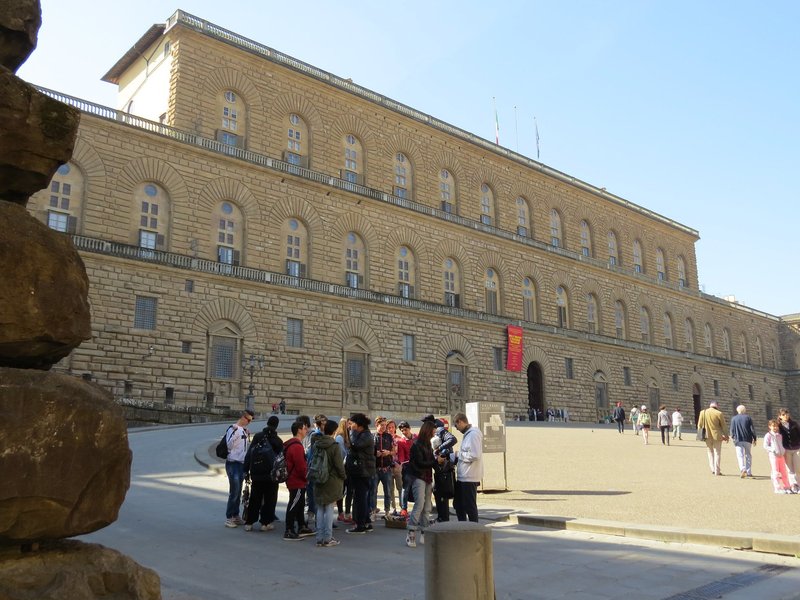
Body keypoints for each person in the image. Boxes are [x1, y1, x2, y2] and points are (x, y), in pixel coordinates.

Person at [243, 415, 283, 531]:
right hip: (271, 475)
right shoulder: (278, 441)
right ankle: (266, 523)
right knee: (270, 499)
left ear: (267, 423)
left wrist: (246, 470)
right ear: (276, 426)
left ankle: (249, 522)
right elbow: (281, 459)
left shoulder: (258, 436)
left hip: (257, 472)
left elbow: (250, 454)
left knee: (255, 497)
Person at [312, 419, 346, 547]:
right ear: (334, 431)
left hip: (318, 477)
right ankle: (328, 537)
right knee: (329, 508)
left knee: (320, 508)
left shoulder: (317, 443)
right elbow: (339, 465)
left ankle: (319, 537)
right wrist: (343, 476)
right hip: (331, 479)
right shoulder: (334, 446)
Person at [406, 420, 437, 547]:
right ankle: (411, 532)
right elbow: (420, 463)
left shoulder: (428, 444)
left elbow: (429, 461)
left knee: (427, 506)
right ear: (428, 431)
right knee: (419, 504)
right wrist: (435, 462)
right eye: (433, 431)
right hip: (418, 476)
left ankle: (424, 531)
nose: (434, 433)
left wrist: (437, 461)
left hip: (427, 477)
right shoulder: (416, 444)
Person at [450, 412, 483, 522]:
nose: (457, 429)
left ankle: (474, 527)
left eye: (456, 425)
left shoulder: (473, 435)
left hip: (469, 477)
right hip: (464, 476)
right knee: (458, 504)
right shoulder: (468, 434)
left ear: (460, 421)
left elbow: (475, 455)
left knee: (469, 506)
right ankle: (462, 526)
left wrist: (459, 455)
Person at [345, 413, 376, 534]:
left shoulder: (365, 436)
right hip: (361, 470)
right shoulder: (363, 434)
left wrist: (351, 432)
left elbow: (354, 445)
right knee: (362, 497)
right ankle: (366, 522)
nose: (350, 425)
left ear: (359, 425)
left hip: (362, 471)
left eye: (352, 423)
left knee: (360, 498)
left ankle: (360, 525)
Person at [283, 420, 314, 540]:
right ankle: (289, 530)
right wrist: (306, 477)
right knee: (294, 504)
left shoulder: (292, 444)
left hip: (296, 480)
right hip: (296, 480)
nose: (307, 430)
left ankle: (301, 526)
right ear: (299, 430)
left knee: (300, 505)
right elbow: (301, 466)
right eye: (305, 428)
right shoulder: (296, 446)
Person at [223, 409, 253, 528]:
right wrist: (237, 434)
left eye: (251, 421)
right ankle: (229, 517)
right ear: (243, 417)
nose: (249, 422)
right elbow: (229, 445)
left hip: (241, 464)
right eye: (248, 420)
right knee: (234, 491)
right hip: (233, 463)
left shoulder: (244, 430)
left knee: (239, 490)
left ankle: (235, 515)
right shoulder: (233, 429)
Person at [372, 416, 396, 518]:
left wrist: (388, 452)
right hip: (375, 469)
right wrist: (375, 453)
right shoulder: (372, 437)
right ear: (376, 425)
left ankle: (387, 512)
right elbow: (367, 452)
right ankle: (373, 511)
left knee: (388, 492)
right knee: (373, 491)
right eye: (382, 425)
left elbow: (394, 451)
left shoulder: (389, 437)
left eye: (385, 425)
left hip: (387, 468)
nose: (384, 427)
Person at [697, 401, 728, 475]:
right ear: (717, 406)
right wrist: (726, 436)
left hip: (706, 435)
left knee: (710, 452)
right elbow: (724, 426)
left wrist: (700, 434)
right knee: (717, 453)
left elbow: (699, 425)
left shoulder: (703, 412)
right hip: (717, 436)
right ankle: (717, 471)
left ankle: (712, 469)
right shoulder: (719, 413)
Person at [764, 419, 793, 494]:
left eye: (776, 426)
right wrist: (772, 449)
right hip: (773, 456)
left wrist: (783, 450)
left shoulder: (780, 435)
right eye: (773, 426)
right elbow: (765, 446)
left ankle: (787, 487)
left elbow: (782, 444)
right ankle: (777, 488)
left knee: (784, 472)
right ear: (769, 426)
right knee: (775, 472)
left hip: (781, 456)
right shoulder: (768, 435)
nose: (775, 427)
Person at [729, 405, 757, 478]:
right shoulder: (748, 418)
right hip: (747, 439)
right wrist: (754, 438)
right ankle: (749, 472)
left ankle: (742, 469)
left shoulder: (734, 418)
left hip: (738, 439)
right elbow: (752, 429)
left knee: (740, 455)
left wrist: (733, 437)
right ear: (745, 411)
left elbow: (732, 430)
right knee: (748, 455)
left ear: (737, 410)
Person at [395, 420, 416, 517]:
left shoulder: (416, 437)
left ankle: (419, 508)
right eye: (402, 430)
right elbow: (401, 457)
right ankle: (404, 509)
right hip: (407, 467)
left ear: (409, 428)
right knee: (406, 488)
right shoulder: (401, 442)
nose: (404, 432)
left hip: (418, 467)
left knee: (418, 488)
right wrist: (402, 463)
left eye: (405, 430)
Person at [778, 408, 800, 493]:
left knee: (798, 468)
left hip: (796, 448)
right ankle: (793, 485)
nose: (786, 416)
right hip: (786, 450)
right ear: (780, 416)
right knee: (790, 469)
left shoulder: (794, 424)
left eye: (787, 414)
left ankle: (799, 484)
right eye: (783, 414)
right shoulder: (779, 426)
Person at [334, 418, 352, 523]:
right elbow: (341, 453)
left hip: (347, 468)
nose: (350, 426)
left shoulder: (347, 436)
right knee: (342, 491)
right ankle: (341, 513)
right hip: (343, 468)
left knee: (349, 491)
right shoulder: (340, 438)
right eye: (348, 424)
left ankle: (346, 513)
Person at [387, 420, 403, 514]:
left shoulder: (399, 439)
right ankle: (393, 508)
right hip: (388, 467)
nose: (391, 429)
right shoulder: (385, 439)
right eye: (389, 427)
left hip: (398, 467)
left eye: (392, 427)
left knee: (400, 488)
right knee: (390, 489)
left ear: (395, 428)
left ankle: (402, 507)